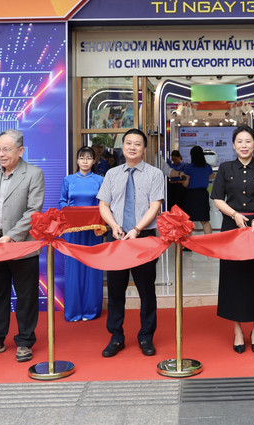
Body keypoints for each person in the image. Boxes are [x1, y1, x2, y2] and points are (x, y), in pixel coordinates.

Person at [0, 129, 45, 363]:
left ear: (20, 150)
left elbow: (33, 211)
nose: (0, 154)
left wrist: (12, 236)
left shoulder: (33, 174)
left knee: (26, 296)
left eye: (6, 149)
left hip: (22, 244)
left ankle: (24, 342)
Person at [97, 129, 165, 357]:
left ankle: (146, 336)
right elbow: (103, 205)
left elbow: (155, 205)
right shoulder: (112, 174)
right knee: (116, 289)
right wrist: (115, 226)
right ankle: (116, 336)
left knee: (146, 289)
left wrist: (137, 229)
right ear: (122, 147)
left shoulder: (155, 174)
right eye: (128, 143)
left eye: (137, 144)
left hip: (144, 237)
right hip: (116, 236)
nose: (132, 147)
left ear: (145, 149)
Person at [211, 125, 254, 354]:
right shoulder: (226, 168)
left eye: (248, 141)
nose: (244, 145)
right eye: (240, 141)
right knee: (232, 278)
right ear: (233, 145)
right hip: (232, 226)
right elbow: (217, 198)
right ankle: (237, 330)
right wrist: (234, 214)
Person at [59, 145, 105, 322]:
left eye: (88, 158)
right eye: (82, 158)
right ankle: (74, 310)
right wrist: (73, 214)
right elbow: (62, 202)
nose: (85, 161)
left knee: (92, 268)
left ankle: (91, 310)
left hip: (93, 230)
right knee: (73, 268)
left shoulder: (100, 180)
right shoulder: (68, 180)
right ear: (77, 160)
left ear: (94, 161)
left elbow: (103, 204)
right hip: (73, 230)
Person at [180, 145, 214, 236]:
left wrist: (182, 177)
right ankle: (210, 241)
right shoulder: (207, 167)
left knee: (189, 220)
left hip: (192, 195)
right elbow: (212, 176)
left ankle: (188, 244)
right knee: (205, 221)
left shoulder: (188, 167)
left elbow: (185, 184)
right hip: (203, 194)